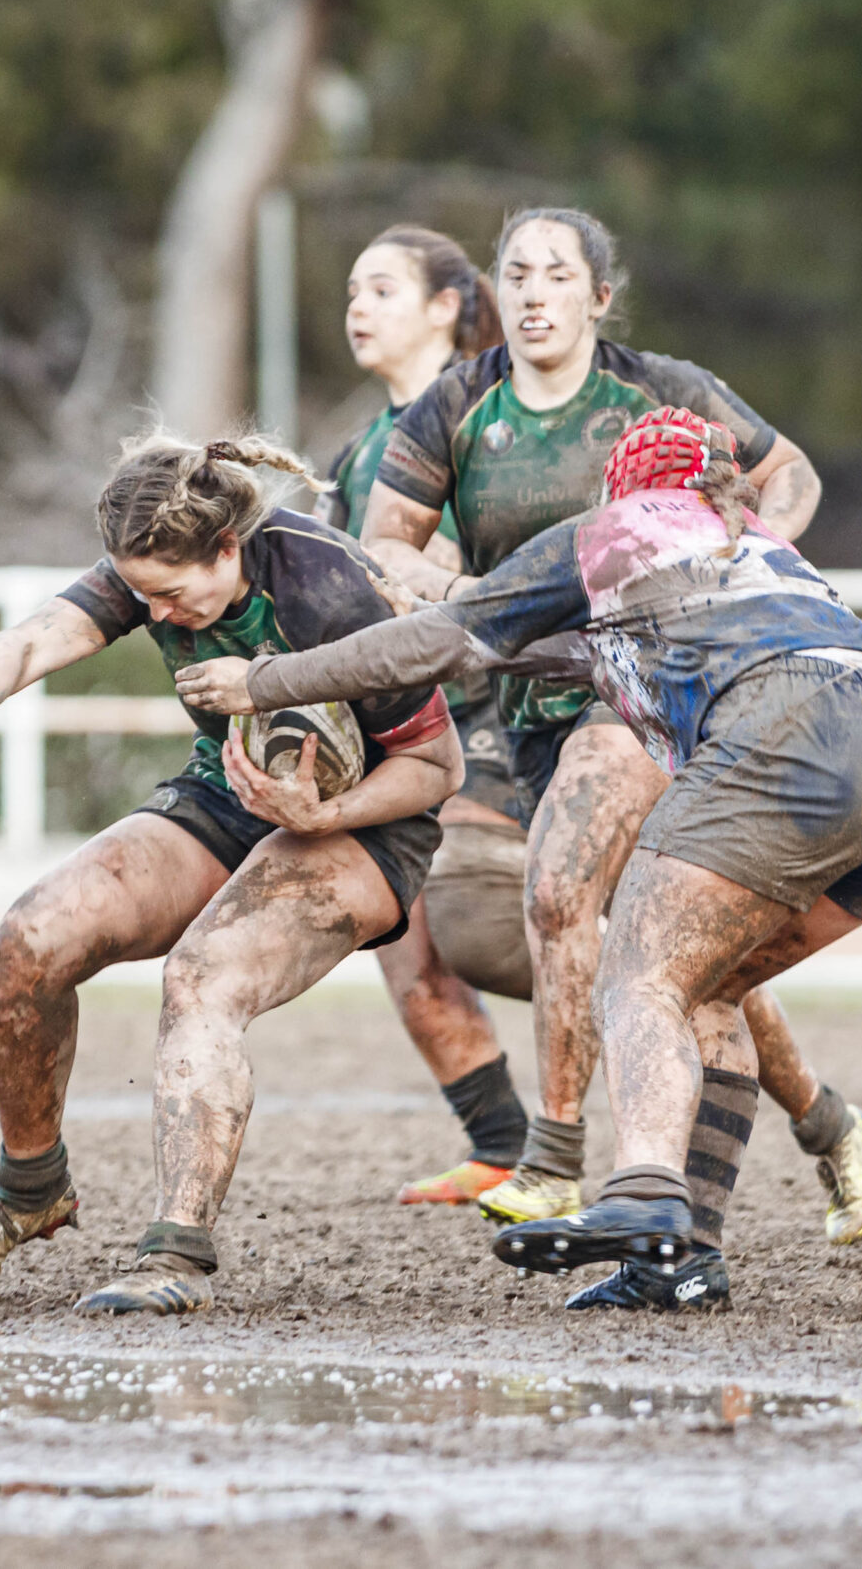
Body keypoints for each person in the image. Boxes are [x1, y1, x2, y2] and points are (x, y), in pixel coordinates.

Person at [182, 408, 862, 1311]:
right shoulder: (756, 547)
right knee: (709, 988)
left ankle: (642, 1191)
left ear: (620, 482)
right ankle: (682, 1262)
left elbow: (446, 639)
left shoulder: (618, 527)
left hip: (792, 730)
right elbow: (598, 653)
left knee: (637, 976)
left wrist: (267, 680)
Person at [358, 206, 862, 1255]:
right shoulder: (459, 406)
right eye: (517, 272)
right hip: (528, 705)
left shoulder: (660, 388)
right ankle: (831, 1125)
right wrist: (466, 591)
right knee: (674, 955)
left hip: (648, 692)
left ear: (600, 296)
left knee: (561, 891)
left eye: (558, 274)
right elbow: (383, 541)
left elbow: (791, 475)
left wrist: (730, 561)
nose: (534, 292)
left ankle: (553, 1159)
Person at [0, 436, 463, 1314]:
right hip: (230, 789)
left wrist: (320, 815)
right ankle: (32, 1190)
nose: (158, 615)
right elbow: (31, 642)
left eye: (171, 594)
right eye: (141, 595)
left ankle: (175, 1255)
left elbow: (437, 769)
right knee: (29, 940)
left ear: (229, 547)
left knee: (202, 977)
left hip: (366, 823)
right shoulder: (154, 571)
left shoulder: (329, 590)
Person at [327, 224, 531, 1205]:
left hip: (510, 721)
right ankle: (502, 1146)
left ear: (446, 306)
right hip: (413, 727)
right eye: (350, 293)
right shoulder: (359, 451)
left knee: (523, 932)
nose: (356, 308)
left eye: (380, 290)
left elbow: (483, 580)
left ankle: (805, 1106)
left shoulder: (492, 424)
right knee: (399, 936)